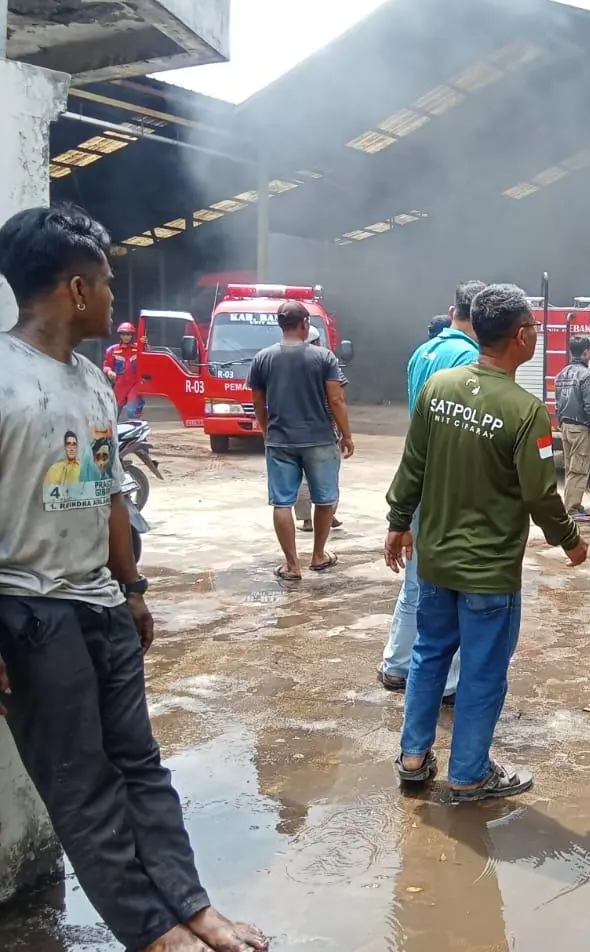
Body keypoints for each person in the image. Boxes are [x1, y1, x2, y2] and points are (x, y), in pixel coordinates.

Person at [0, 204, 267, 952]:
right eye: (108, 283)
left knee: (142, 766)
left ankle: (191, 908)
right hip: (31, 613)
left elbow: (111, 492)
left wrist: (134, 589)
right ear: (75, 290)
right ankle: (153, 932)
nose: (115, 298)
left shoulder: (91, 382)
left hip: (101, 603)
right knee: (81, 782)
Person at [385, 283, 587, 801]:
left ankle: (413, 758)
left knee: (429, 654)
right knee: (482, 672)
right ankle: (469, 774)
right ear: (521, 336)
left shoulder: (438, 389)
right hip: (489, 572)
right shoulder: (526, 411)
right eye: (534, 328)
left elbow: (413, 464)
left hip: (436, 561)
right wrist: (570, 540)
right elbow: (540, 493)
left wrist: (399, 520)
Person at [376, 282, 486, 696]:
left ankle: (396, 664)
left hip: (420, 475)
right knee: (452, 583)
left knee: (417, 578)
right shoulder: (469, 359)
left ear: (453, 309)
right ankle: (448, 683)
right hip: (449, 483)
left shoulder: (422, 352)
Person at [247, 300, 354, 582]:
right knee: (325, 499)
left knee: (282, 503)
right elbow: (336, 399)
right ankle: (318, 555)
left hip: (280, 441)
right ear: (305, 324)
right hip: (320, 440)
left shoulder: (262, 358)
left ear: (281, 325)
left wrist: (266, 430)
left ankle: (292, 565)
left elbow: (257, 401)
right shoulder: (324, 357)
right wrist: (346, 435)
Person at [294, 326, 344, 534]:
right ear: (316, 341)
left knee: (303, 478)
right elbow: (337, 398)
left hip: (295, 431)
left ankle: (307, 520)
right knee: (327, 476)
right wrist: (345, 432)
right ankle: (328, 515)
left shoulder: (287, 363)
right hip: (324, 430)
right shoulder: (327, 361)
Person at [554, 335, 590, 521]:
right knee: (579, 470)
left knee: (571, 468)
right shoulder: (587, 375)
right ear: (586, 352)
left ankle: (573, 504)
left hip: (566, 427)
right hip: (580, 429)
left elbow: (558, 403)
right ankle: (573, 509)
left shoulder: (561, 374)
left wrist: (561, 423)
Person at [104, 320, 144, 420]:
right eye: (123, 334)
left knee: (131, 411)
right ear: (120, 335)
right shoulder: (112, 350)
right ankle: (114, 430)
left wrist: (144, 343)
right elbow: (107, 365)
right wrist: (109, 372)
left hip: (135, 384)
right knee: (113, 413)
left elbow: (148, 356)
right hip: (120, 385)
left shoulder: (138, 348)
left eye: (128, 334)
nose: (126, 337)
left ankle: (136, 427)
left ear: (132, 335)